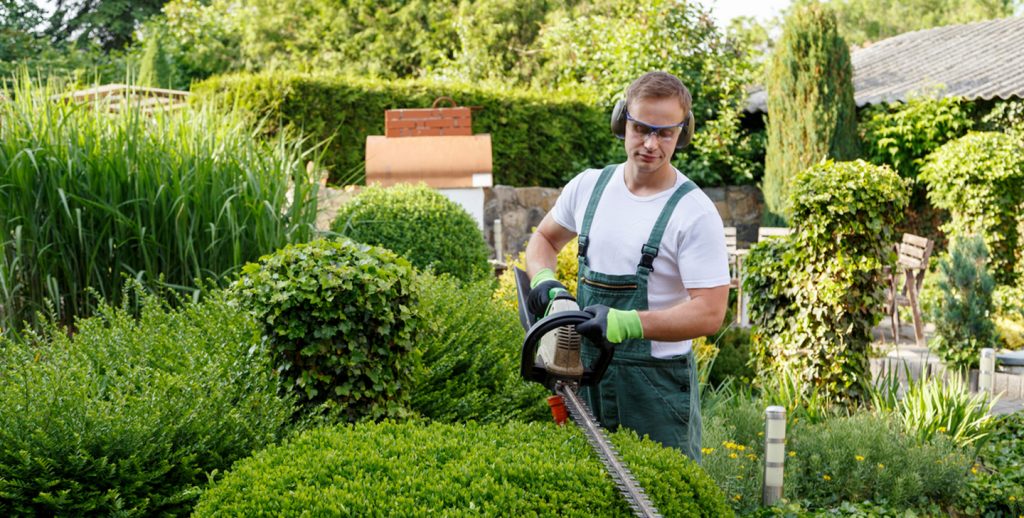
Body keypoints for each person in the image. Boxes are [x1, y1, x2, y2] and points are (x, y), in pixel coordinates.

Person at [524, 71, 729, 462]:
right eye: (641, 129)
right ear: (623, 123)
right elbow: (544, 240)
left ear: (682, 134)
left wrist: (626, 323)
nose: (651, 144)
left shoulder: (693, 211)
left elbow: (710, 312)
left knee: (663, 498)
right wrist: (547, 284)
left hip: (654, 389)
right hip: (583, 376)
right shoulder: (588, 187)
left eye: (665, 133)